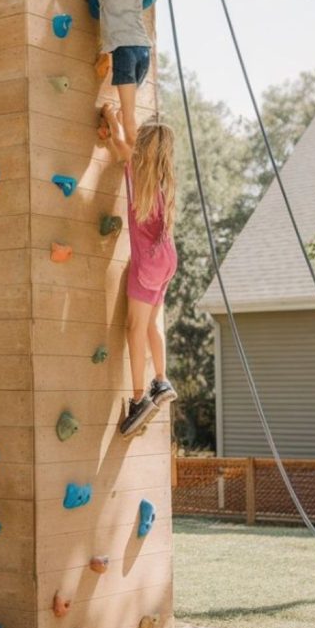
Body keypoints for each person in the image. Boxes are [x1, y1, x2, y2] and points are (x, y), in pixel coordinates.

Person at [103, 107, 178, 437]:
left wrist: (111, 116)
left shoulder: (136, 167)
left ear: (142, 145)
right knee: (151, 323)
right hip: (167, 258)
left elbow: (118, 140)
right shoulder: (162, 181)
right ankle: (160, 380)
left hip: (147, 263)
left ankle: (138, 399)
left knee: (135, 327)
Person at [86, 0, 156, 146]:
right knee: (126, 110)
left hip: (124, 53)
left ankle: (136, 156)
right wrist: (133, 6)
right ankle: (113, 122)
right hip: (143, 50)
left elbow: (94, 11)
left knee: (128, 115)